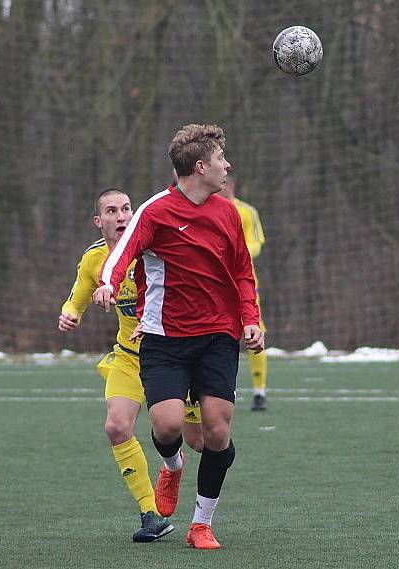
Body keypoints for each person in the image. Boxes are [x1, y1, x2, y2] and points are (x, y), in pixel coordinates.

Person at [93, 124, 264, 549]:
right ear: (201, 166)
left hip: (218, 336)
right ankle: (171, 467)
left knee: (217, 434)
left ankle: (201, 524)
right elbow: (120, 254)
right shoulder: (155, 211)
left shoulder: (229, 213)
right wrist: (108, 283)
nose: (228, 166)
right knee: (167, 426)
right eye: (222, 159)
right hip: (164, 337)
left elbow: (243, 272)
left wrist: (251, 318)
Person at [58, 188, 203, 543]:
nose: (121, 216)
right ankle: (150, 514)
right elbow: (78, 296)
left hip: (170, 355)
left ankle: (174, 464)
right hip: (127, 357)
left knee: (199, 440)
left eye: (126, 209)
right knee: (116, 426)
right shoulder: (94, 259)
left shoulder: (153, 250)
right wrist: (70, 314)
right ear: (99, 221)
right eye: (112, 210)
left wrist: (151, 319)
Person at [219, 174, 268, 411]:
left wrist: (237, 252)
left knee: (254, 332)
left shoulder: (247, 212)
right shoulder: (206, 209)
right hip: (215, 285)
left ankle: (260, 391)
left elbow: (257, 244)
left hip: (243, 283)